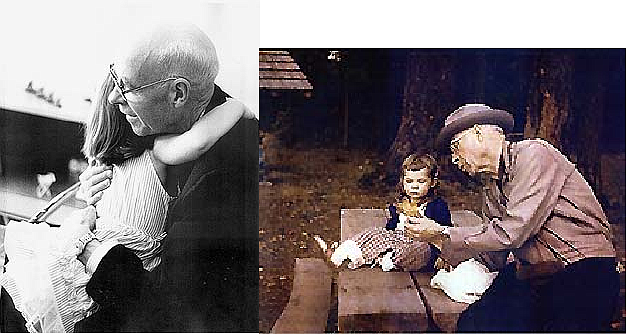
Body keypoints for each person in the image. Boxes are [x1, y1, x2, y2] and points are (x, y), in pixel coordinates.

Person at [0, 69, 253, 332]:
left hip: (88, 268)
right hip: (118, 270)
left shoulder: (105, 164)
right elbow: (199, 142)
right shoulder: (159, 151)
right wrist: (237, 108)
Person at [406, 103, 618, 332]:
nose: (455, 160)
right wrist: (440, 244)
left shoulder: (534, 154)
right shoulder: (490, 188)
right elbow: (494, 254)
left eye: (455, 147)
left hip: (583, 269)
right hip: (534, 275)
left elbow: (513, 232)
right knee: (473, 324)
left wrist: (444, 232)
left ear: (478, 133)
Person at [317, 153, 452, 272]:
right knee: (373, 233)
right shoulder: (399, 204)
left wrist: (443, 256)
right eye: (409, 181)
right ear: (403, 182)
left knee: (419, 250)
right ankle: (340, 255)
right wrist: (383, 236)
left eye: (421, 181)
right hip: (398, 239)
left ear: (432, 182)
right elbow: (391, 227)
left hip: (422, 245)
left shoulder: (437, 206)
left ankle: (388, 259)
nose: (414, 186)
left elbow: (447, 234)